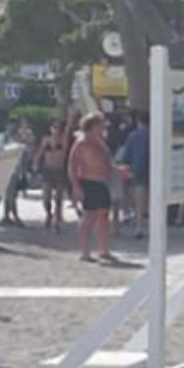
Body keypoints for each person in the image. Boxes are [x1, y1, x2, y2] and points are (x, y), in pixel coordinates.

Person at [68, 112, 117, 264]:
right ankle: (85, 252)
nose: (103, 127)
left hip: (102, 183)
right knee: (88, 218)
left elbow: (108, 163)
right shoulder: (81, 143)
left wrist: (119, 170)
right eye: (100, 124)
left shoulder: (100, 142)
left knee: (103, 217)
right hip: (88, 182)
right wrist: (76, 186)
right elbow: (72, 166)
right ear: (92, 126)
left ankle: (104, 250)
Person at [116, 111, 151, 239]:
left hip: (138, 169)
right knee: (153, 198)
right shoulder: (156, 134)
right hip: (154, 168)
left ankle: (139, 227)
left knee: (139, 200)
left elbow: (126, 156)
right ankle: (153, 225)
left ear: (138, 121)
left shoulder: (133, 136)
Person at [36, 119, 71, 233]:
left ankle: (56, 221)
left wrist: (70, 117)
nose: (56, 130)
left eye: (58, 128)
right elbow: (40, 152)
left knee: (58, 198)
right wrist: (36, 163)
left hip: (59, 170)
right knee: (46, 197)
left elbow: (68, 128)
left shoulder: (63, 140)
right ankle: (49, 214)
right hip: (47, 170)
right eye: (54, 127)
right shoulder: (46, 140)